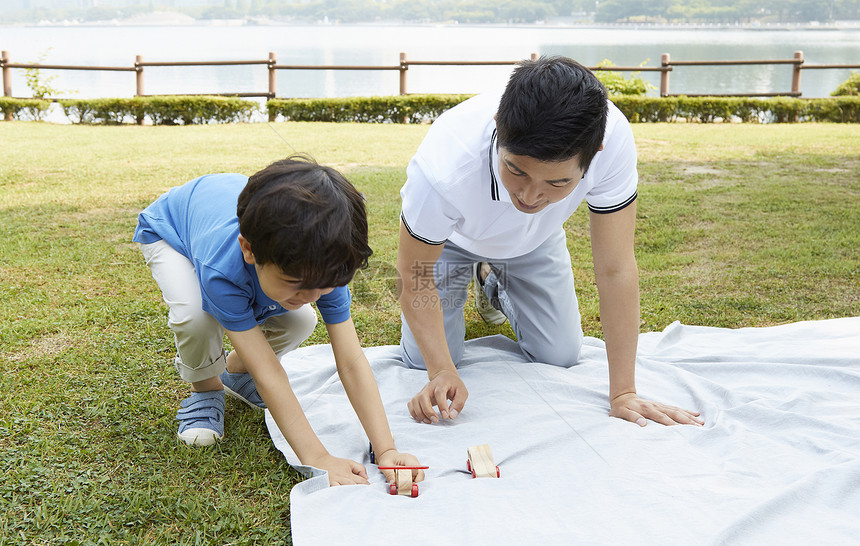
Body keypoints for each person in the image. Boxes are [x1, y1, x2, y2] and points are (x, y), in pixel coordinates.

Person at [397, 56, 703, 428]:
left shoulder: (614, 140)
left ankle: (489, 282)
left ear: (597, 152)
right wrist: (442, 369)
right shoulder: (444, 167)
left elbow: (615, 267)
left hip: (534, 241)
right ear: (499, 127)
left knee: (560, 354)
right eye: (516, 170)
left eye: (557, 183)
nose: (529, 196)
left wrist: (624, 392)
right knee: (421, 360)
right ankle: (475, 271)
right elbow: (414, 274)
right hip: (450, 241)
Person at [134, 155, 423, 487]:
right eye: (295, 283)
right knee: (195, 316)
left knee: (300, 320)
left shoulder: (322, 265)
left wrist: (385, 449)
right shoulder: (222, 271)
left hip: (241, 227)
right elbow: (269, 372)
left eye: (323, 286)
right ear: (249, 251)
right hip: (172, 233)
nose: (313, 293)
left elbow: (352, 359)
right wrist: (318, 458)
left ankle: (234, 372)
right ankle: (207, 388)